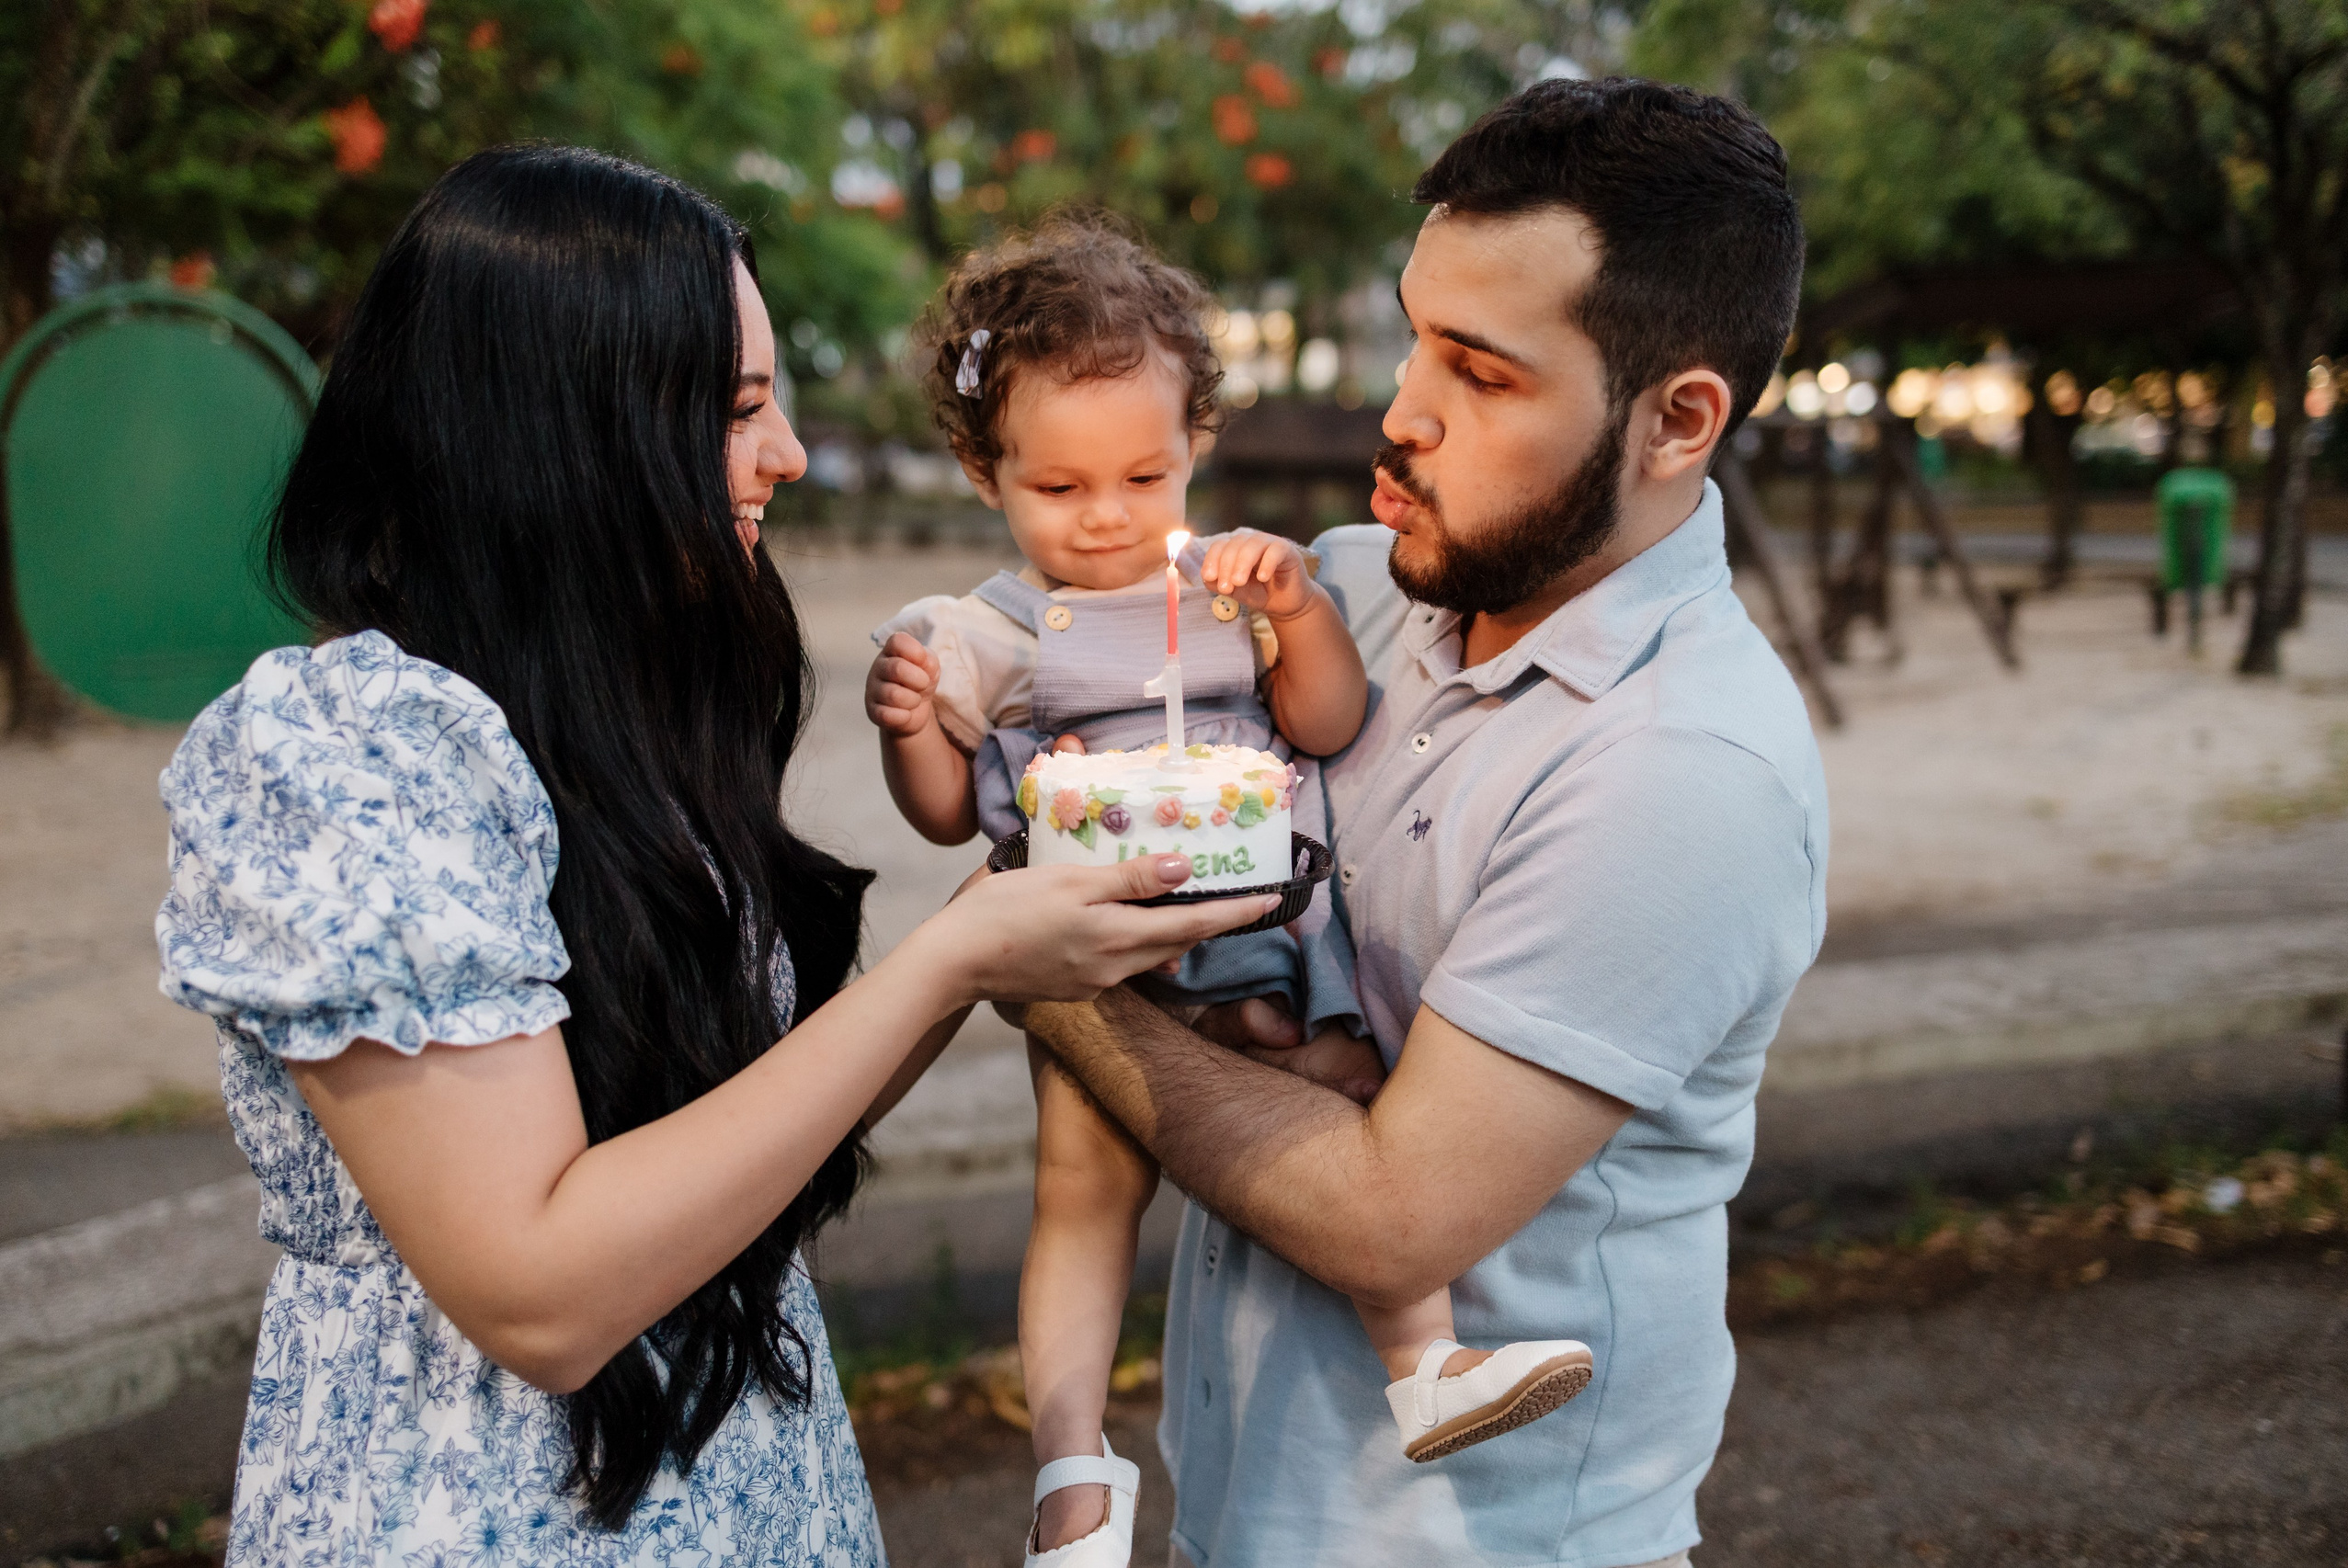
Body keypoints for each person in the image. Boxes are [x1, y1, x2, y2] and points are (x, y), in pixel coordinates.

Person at [154, 146, 1270, 1566]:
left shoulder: (611, 714)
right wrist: (958, 957)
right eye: (740, 408)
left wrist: (1030, 896)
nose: (791, 452)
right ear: (571, 431)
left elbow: (749, 1131)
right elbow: (541, 1295)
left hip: (751, 1495)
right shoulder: (342, 754)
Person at [1015, 78, 1829, 1568]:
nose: (1404, 409)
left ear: (1678, 419)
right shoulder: (1355, 588)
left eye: (1482, 371)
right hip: (1236, 1503)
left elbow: (1397, 1222)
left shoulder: (1686, 767)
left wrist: (1040, 976)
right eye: (1414, 333)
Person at [863, 218, 1591, 1568]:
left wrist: (1300, 609)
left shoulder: (1231, 586)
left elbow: (1326, 721)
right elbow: (942, 810)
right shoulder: (1010, 629)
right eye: (1059, 486)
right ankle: (1073, 1478)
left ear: (1197, 437)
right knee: (1082, 1192)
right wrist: (916, 719)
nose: (1106, 515)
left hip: (1261, 932)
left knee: (1361, 1100)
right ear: (987, 473)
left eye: (1144, 472)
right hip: (1102, 951)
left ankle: (1427, 1365)